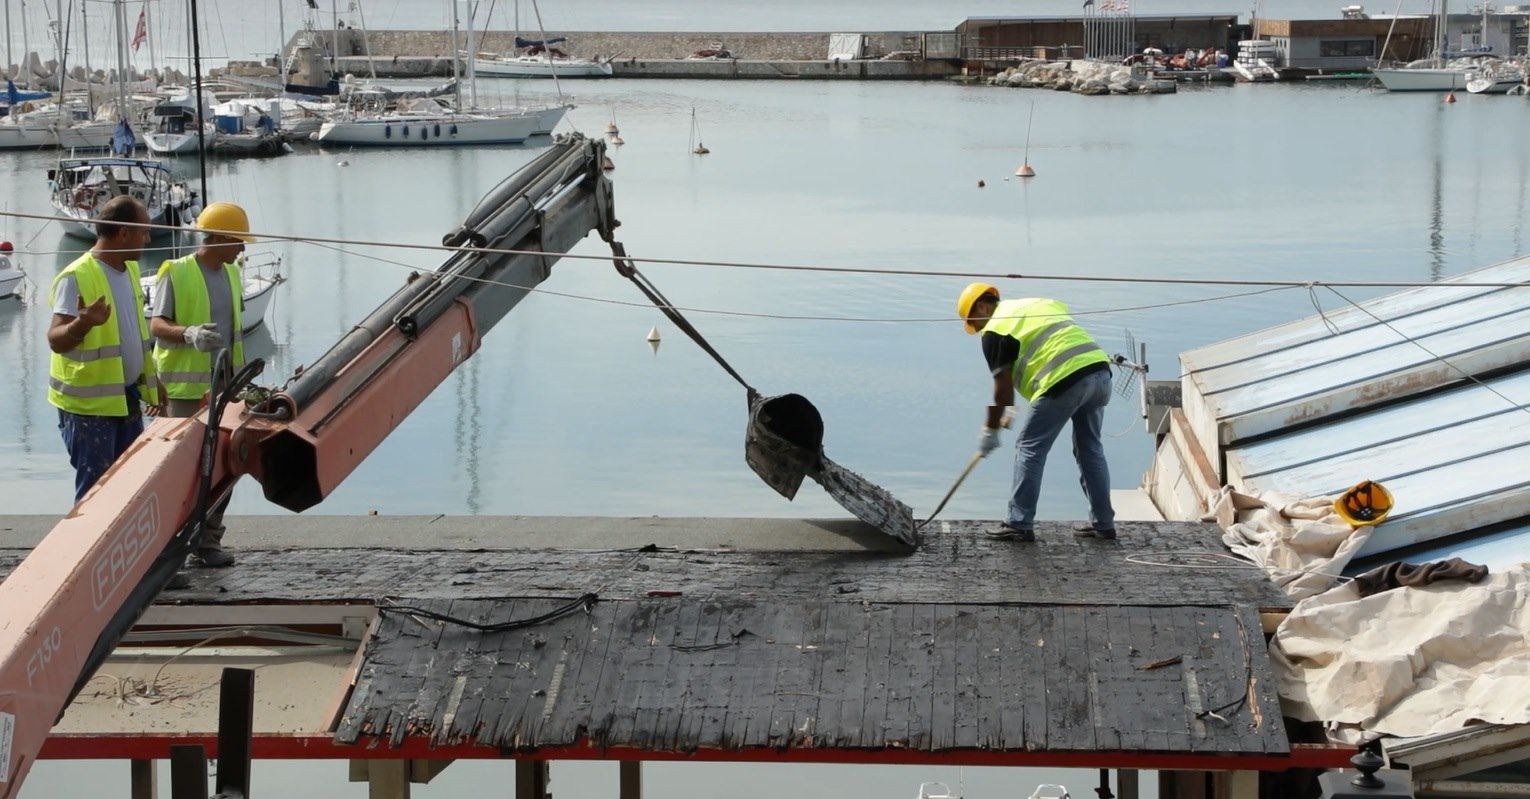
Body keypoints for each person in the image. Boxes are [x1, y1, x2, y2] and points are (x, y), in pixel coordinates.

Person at [956, 282, 1117, 541]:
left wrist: (991, 429)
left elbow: (1002, 387)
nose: (979, 330)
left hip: (1064, 379)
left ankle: (1018, 523)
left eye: (975, 323)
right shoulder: (1036, 304)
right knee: (1090, 449)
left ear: (983, 307)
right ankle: (1103, 523)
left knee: (1029, 447)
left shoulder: (996, 329)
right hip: (1100, 372)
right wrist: (1008, 416)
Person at [149, 201, 253, 568]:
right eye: (239, 241)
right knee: (182, 472)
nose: (243, 248)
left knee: (225, 464)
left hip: (225, 387)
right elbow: (157, 325)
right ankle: (170, 550)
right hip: (184, 392)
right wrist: (188, 333)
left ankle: (208, 541)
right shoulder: (175, 272)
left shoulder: (232, 274)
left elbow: (234, 332)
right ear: (221, 237)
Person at [47, 196, 165, 503]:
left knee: (128, 489)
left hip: (124, 399)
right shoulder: (78, 276)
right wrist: (82, 325)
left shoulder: (131, 271)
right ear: (123, 233)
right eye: (144, 231)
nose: (148, 238)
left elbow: (134, 334)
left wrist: (152, 382)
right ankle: (86, 552)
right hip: (89, 411)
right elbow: (55, 339)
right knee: (95, 494)